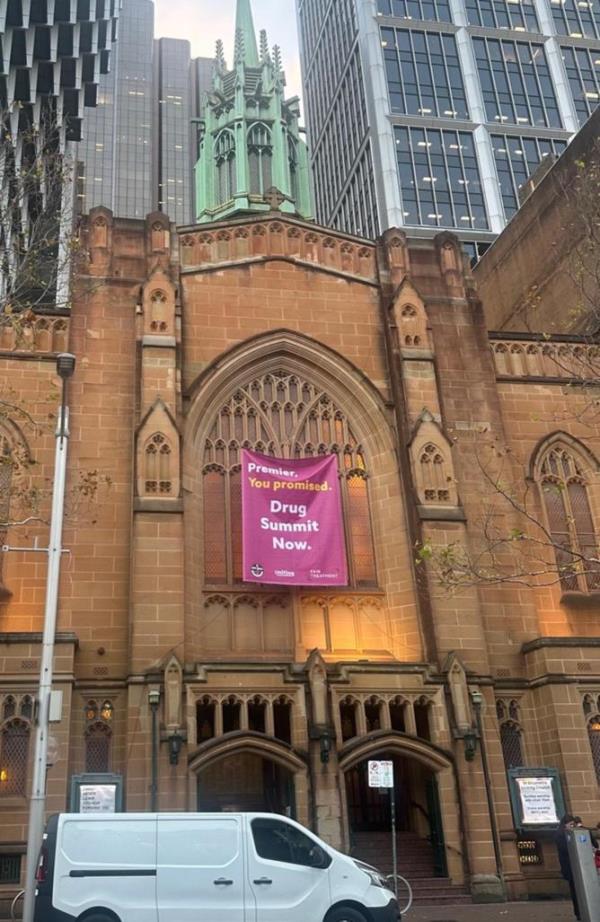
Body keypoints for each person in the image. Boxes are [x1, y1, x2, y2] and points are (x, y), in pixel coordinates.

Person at [555, 814, 580, 921]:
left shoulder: (572, 833)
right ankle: (578, 912)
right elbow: (565, 849)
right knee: (575, 890)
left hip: (576, 866)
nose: (572, 826)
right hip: (569, 867)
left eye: (573, 824)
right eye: (570, 824)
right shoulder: (560, 835)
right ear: (565, 825)